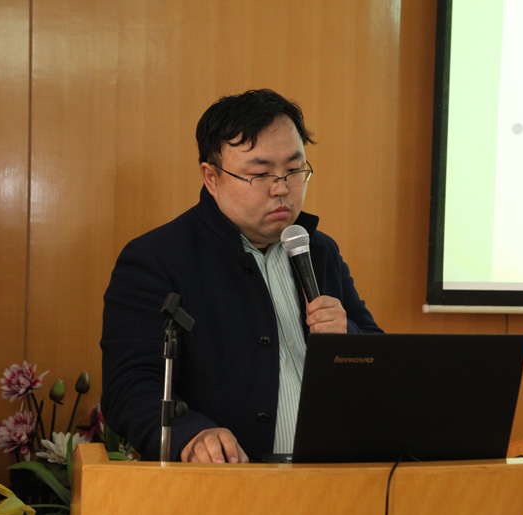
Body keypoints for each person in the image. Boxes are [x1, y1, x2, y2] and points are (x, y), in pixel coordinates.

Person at [101, 89, 382, 464]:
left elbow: (384, 366)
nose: (281, 189)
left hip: (333, 475)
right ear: (211, 177)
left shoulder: (319, 250)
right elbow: (129, 385)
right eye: (260, 174)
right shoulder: (157, 260)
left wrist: (348, 336)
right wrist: (191, 436)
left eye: (294, 170)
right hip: (228, 482)